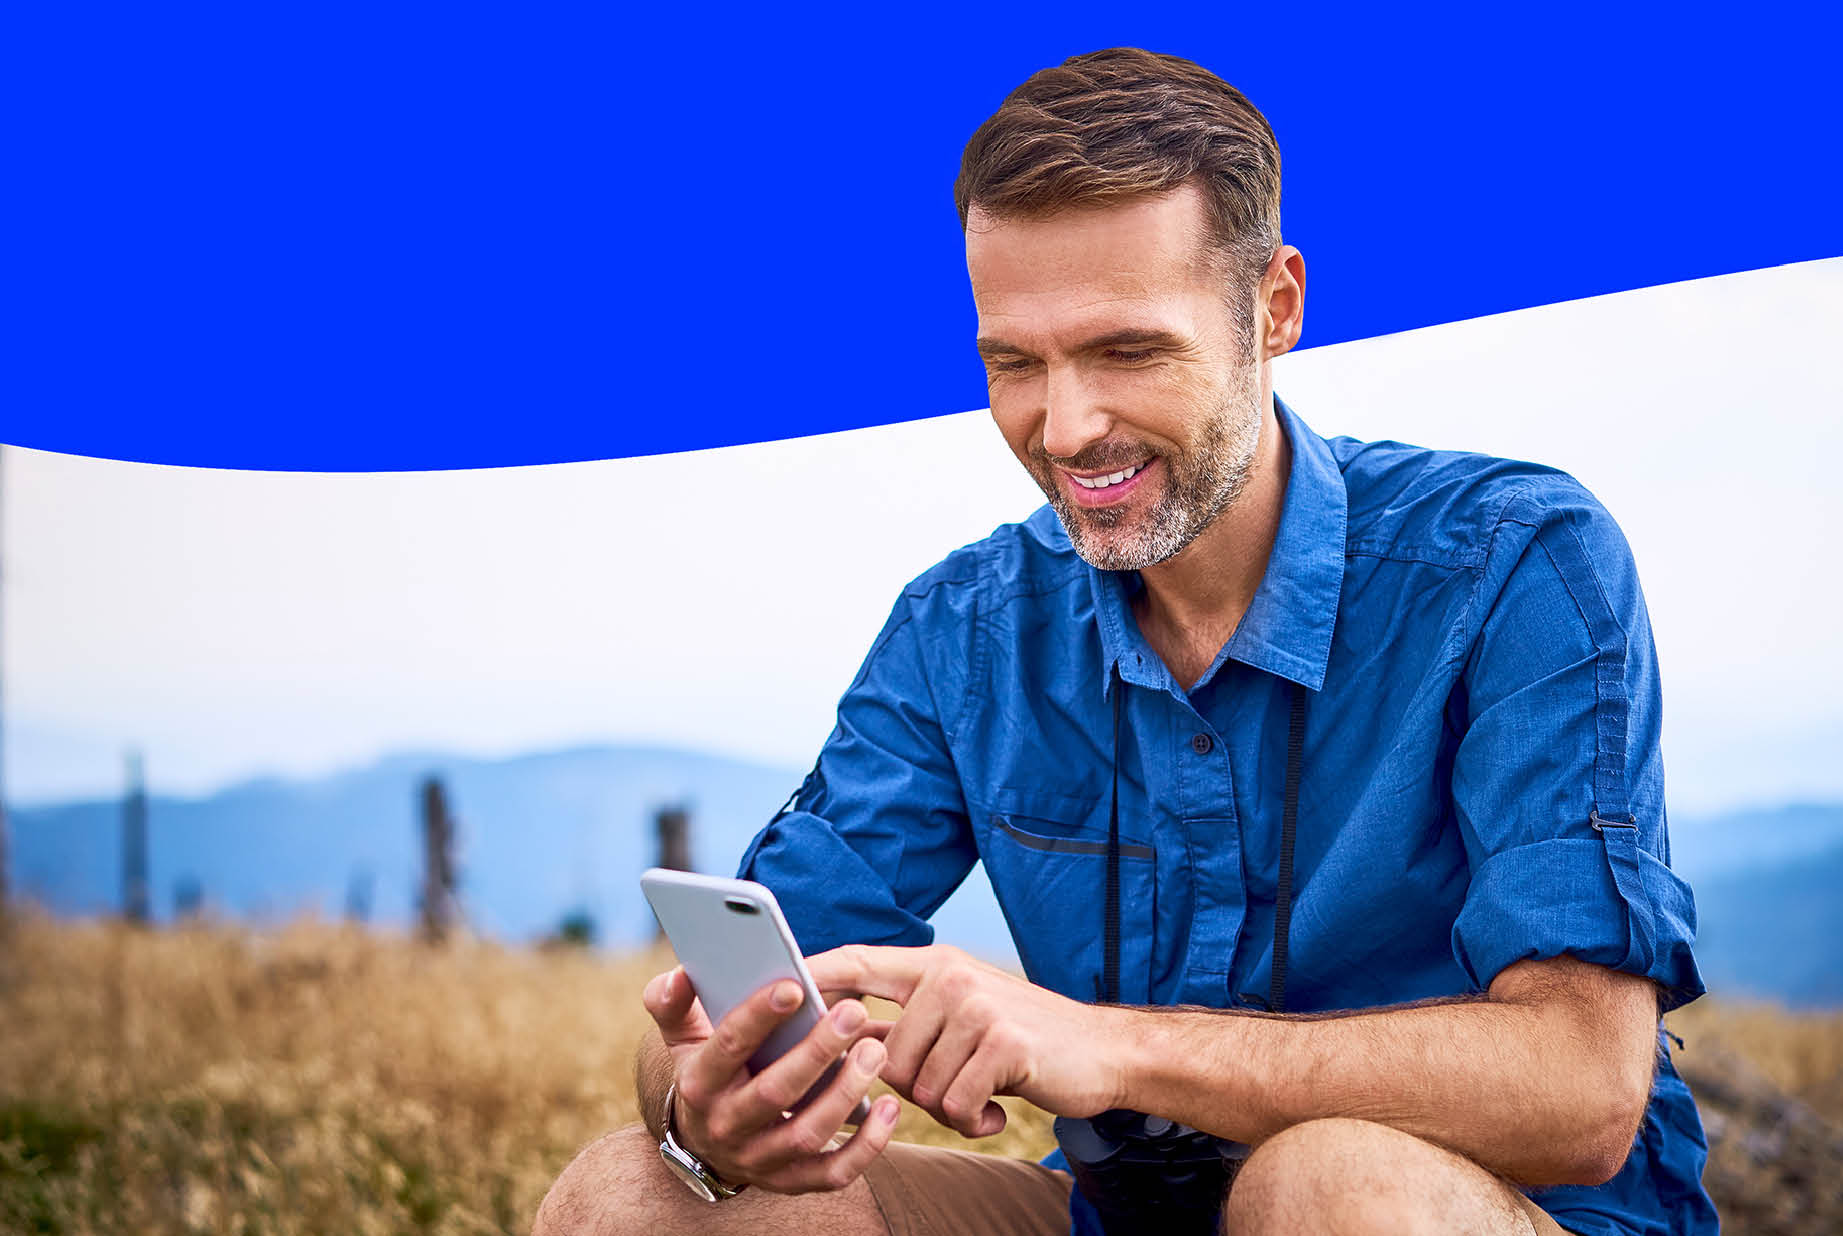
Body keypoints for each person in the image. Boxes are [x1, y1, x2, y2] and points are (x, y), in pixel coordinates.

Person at [536, 47, 1714, 1236]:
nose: (1064, 427)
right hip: (1110, 1214)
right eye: (1013, 362)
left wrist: (1102, 1047)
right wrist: (704, 1102)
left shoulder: (1516, 559)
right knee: (631, 1197)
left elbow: (1580, 1087)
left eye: (1124, 351)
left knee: (1329, 1192)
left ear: (1275, 309)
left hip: (1489, 1209)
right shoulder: (964, 628)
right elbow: (720, 1020)